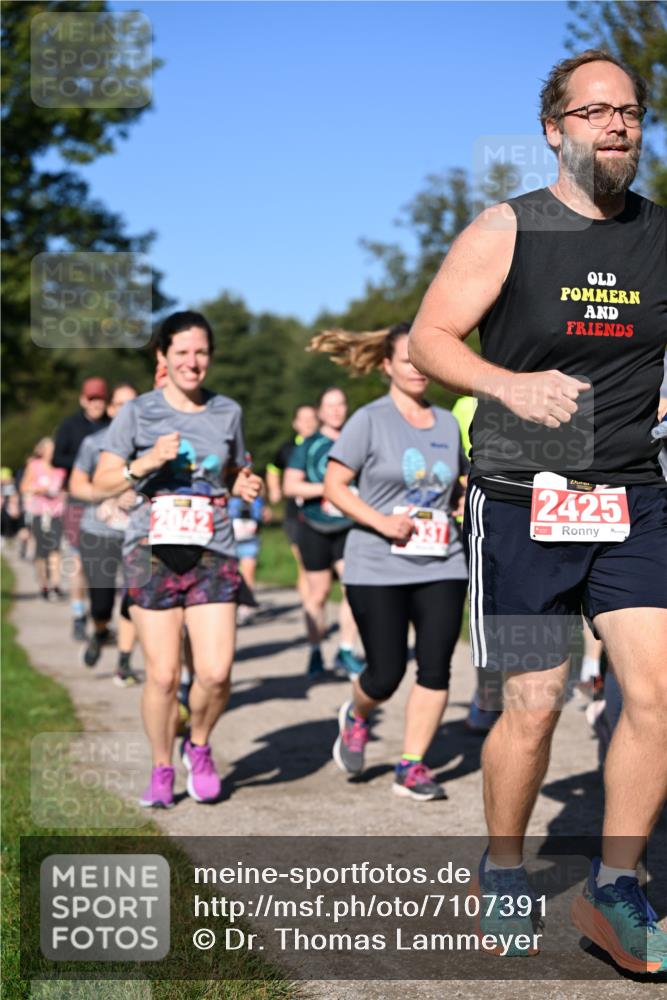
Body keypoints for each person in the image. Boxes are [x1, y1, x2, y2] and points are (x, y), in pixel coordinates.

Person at [408, 49, 667, 972]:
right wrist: (507, 387)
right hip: (523, 500)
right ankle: (506, 865)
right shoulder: (506, 229)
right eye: (596, 111)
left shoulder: (660, 235)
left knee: (658, 692)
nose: (616, 125)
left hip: (631, 498)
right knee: (533, 702)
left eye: (630, 112)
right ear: (554, 128)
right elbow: (429, 337)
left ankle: (614, 887)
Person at [93, 310, 262, 809]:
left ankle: (200, 745)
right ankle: (162, 767)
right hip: (150, 550)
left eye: (202, 352)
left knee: (214, 672)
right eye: (182, 352)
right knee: (163, 676)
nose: (193, 362)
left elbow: (231, 470)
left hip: (213, 548)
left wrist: (242, 483)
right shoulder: (138, 412)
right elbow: (102, 481)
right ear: (162, 357)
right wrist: (145, 462)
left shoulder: (227, 411)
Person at [316, 324, 468, 800]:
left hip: (443, 561)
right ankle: (357, 715)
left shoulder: (447, 422)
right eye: (406, 359)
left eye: (424, 360)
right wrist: (383, 523)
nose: (417, 369)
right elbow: (335, 487)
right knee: (385, 673)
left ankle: (412, 765)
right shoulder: (368, 419)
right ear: (386, 365)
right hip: (377, 562)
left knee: (436, 667)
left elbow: (454, 485)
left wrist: (462, 503)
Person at [283, 388, 365, 677]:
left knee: (353, 588)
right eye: (329, 405)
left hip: (349, 526)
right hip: (315, 527)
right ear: (320, 411)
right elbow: (290, 486)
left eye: (340, 404)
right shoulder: (309, 445)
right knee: (317, 596)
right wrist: (330, 489)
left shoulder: (359, 440)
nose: (335, 410)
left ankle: (346, 649)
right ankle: (316, 651)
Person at [69, 383, 140, 684]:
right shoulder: (94, 443)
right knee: (101, 603)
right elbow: (76, 486)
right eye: (120, 404)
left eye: (133, 404)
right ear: (111, 409)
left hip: (137, 533)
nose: (126, 410)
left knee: (134, 597)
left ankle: (124, 662)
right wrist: (108, 493)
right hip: (98, 531)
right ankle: (99, 632)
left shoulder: (152, 447)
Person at [53, 377, 110, 640]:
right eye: (91, 399)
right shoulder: (70, 426)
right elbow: (56, 457)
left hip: (107, 503)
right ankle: (78, 614)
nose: (96, 403)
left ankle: (102, 616)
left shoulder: (114, 427)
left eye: (100, 398)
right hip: (78, 499)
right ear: (82, 400)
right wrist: (83, 462)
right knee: (78, 560)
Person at [266, 404, 319, 606]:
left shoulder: (326, 444)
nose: (308, 423)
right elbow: (273, 468)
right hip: (295, 515)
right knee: (304, 564)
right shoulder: (287, 448)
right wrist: (274, 490)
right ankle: (310, 611)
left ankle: (317, 604)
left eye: (312, 418)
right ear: (295, 423)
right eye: (303, 419)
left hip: (324, 514)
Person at [20, 438, 66, 599]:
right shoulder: (34, 466)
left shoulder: (61, 469)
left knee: (55, 548)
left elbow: (67, 488)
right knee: (42, 551)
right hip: (39, 513)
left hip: (57, 513)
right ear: (42, 451)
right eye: (50, 449)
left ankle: (56, 584)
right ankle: (43, 583)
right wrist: (39, 489)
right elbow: (24, 487)